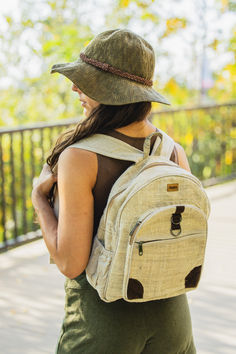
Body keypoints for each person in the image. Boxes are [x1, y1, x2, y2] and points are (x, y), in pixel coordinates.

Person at [31, 29, 196, 353]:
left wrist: (39, 199)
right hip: (173, 320)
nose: (76, 88)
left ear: (111, 92)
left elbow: (70, 263)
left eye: (86, 82)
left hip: (105, 324)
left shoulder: (80, 157)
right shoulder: (172, 151)